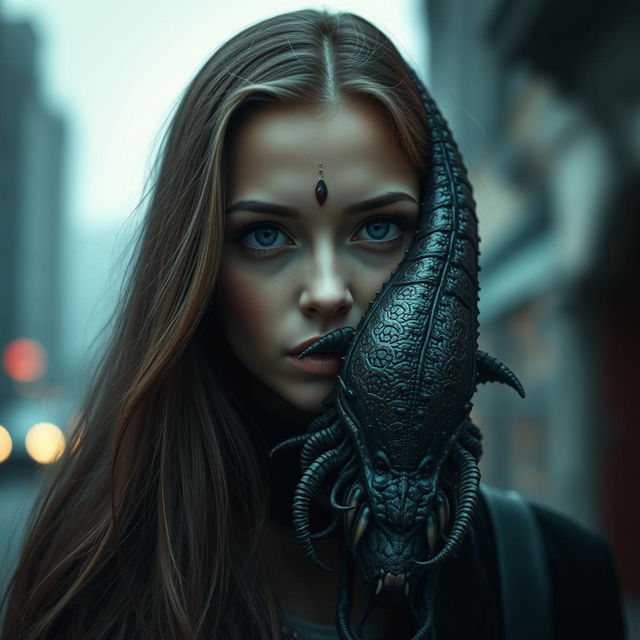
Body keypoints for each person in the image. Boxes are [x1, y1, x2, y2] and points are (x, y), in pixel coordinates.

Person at [1, 9, 625, 640]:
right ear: (201, 267)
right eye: (266, 235)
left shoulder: (558, 579)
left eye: (378, 228)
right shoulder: (83, 589)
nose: (328, 292)